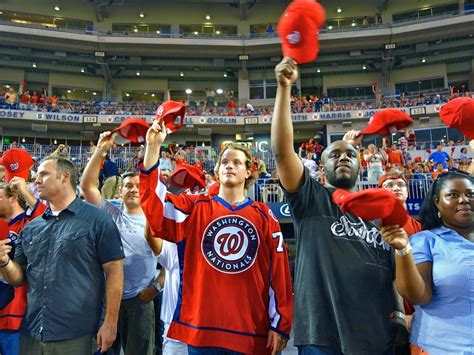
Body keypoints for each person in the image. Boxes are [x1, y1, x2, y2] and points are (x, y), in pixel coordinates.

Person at [271, 57, 405, 354]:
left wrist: (398, 319)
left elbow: (391, 273)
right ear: (321, 167)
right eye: (334, 154)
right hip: (323, 337)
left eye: (350, 154)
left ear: (362, 164)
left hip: (377, 336)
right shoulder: (311, 197)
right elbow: (282, 153)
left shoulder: (379, 209)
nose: (343, 157)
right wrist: (283, 89)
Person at [140, 120, 293, 354]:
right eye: (224, 162)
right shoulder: (194, 208)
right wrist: (153, 148)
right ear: (217, 172)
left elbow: (278, 274)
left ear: (249, 171)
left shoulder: (265, 215)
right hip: (202, 331)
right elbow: (155, 208)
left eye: (237, 162)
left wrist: (280, 325)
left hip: (251, 330)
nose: (229, 166)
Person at [0, 156, 125, 354]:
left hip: (78, 334)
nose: (36, 180)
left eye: (44, 174)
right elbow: (18, 278)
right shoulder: (32, 228)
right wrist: (5, 262)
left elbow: (114, 272)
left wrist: (111, 322)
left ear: (65, 177)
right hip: (32, 333)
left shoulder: (98, 220)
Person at [81, 132, 159, 355]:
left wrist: (155, 288)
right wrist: (100, 151)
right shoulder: (110, 213)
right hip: (108, 298)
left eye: (138, 185)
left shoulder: (155, 220)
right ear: (119, 191)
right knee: (105, 350)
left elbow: (169, 262)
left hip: (140, 300)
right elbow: (87, 186)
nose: (134, 189)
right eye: (128, 185)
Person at [381, 171, 474, 354]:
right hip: (441, 347)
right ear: (437, 203)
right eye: (453, 195)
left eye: (470, 194)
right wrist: (403, 250)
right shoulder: (425, 240)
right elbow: (418, 296)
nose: (464, 200)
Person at [0, 178, 45, 355]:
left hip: (19, 307)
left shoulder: (29, 222)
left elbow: (46, 216)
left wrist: (25, 192)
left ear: (12, 198)